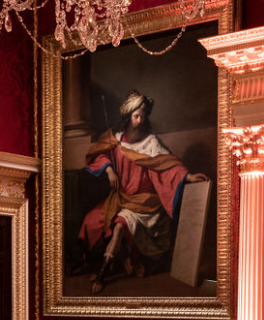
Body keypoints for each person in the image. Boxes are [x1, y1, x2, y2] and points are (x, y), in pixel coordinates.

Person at [76, 91, 206, 294]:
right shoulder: (116, 139)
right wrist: (109, 170)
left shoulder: (151, 142)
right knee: (91, 221)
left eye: (143, 116)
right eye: (136, 116)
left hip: (144, 203)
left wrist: (187, 176)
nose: (140, 120)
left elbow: (168, 164)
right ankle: (87, 262)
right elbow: (98, 154)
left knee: (119, 226)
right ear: (127, 117)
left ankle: (102, 276)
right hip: (121, 198)